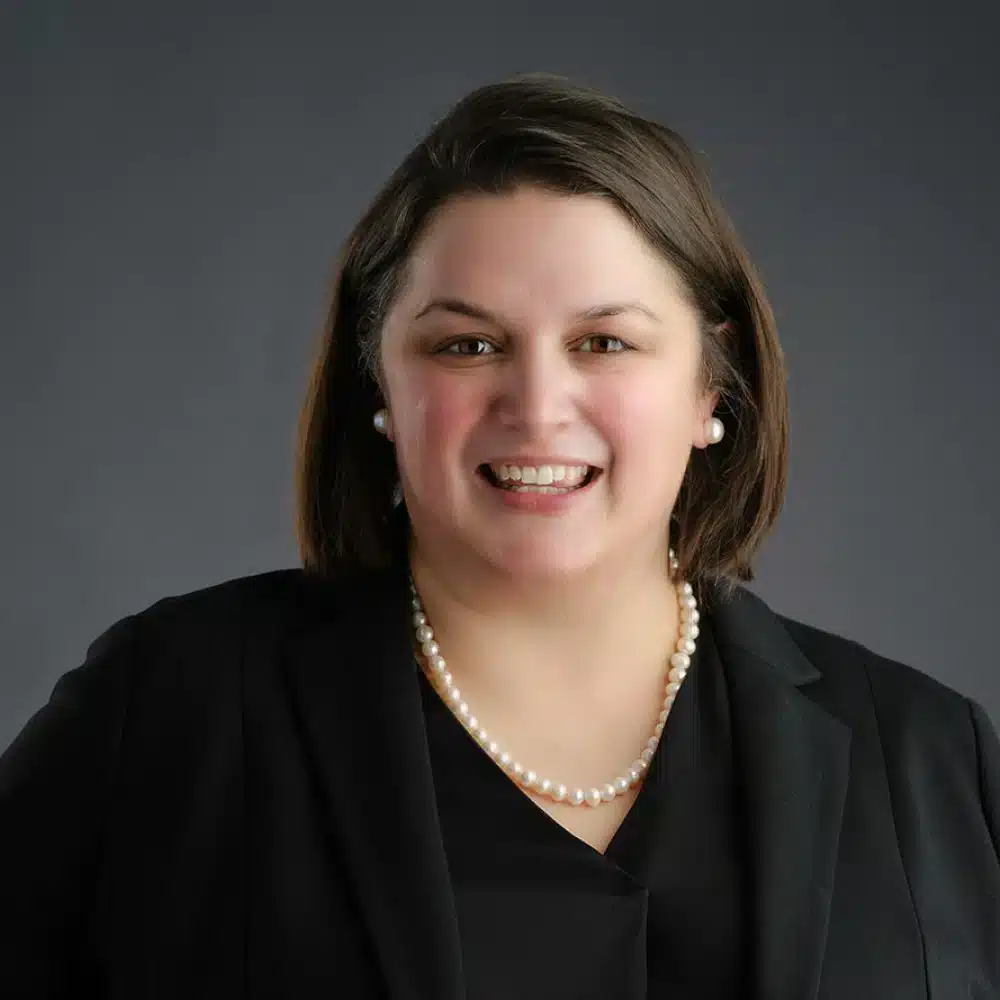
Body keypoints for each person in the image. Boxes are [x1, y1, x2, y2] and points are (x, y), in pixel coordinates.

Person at [2, 72, 998, 1000]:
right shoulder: (172, 707)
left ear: (708, 385)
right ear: (380, 388)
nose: (536, 403)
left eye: (603, 342)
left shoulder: (929, 754)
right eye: (465, 344)